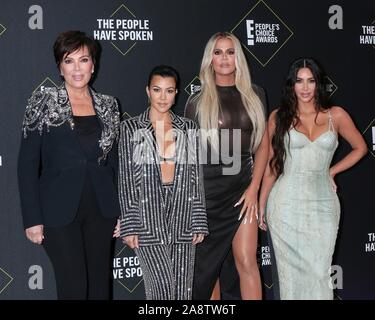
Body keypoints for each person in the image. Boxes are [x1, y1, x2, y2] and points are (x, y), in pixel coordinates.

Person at [17, 30, 121, 300]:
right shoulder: (42, 101)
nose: (77, 68)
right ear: (60, 67)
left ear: (93, 65)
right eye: (69, 61)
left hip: (102, 209)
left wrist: (122, 212)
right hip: (58, 210)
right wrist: (32, 219)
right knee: (73, 288)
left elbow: (114, 163)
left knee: (100, 288)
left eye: (83, 60)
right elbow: (27, 163)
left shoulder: (109, 105)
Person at [258, 58, 368, 300]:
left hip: (323, 205)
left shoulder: (336, 116)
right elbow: (272, 166)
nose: (305, 87)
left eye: (311, 81)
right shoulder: (278, 118)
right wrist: (262, 202)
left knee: (320, 273)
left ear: (319, 84)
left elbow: (360, 147)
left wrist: (331, 171)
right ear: (292, 85)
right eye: (299, 81)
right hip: (285, 205)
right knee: (290, 278)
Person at [185, 32, 268, 300]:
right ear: (210, 59)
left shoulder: (256, 94)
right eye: (218, 52)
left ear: (238, 58)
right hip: (208, 195)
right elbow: (189, 157)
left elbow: (263, 146)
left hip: (243, 192)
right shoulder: (196, 102)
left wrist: (254, 188)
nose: (224, 58)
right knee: (208, 270)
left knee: (247, 262)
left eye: (230, 52)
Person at [119, 65, 208, 300]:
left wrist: (198, 218)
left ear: (176, 93)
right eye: (157, 90)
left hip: (183, 211)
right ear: (148, 91)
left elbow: (194, 176)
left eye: (169, 91)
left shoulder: (188, 128)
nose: (163, 97)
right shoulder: (130, 128)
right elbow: (126, 179)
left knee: (182, 291)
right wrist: (129, 223)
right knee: (159, 290)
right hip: (147, 215)